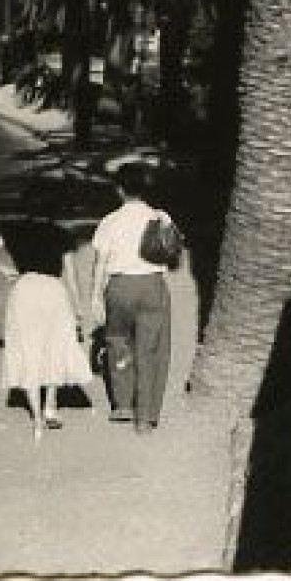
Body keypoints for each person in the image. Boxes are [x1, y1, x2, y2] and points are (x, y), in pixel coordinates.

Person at [0, 220, 93, 441]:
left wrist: (7, 271)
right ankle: (50, 407)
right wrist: (77, 308)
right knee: (55, 347)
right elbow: (71, 275)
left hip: (24, 291)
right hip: (53, 291)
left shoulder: (14, 229)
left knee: (29, 350)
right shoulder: (59, 233)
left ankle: (36, 418)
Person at [90, 162, 180, 434]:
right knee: (151, 350)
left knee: (118, 342)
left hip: (119, 287)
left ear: (119, 190)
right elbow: (173, 254)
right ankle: (145, 418)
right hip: (153, 286)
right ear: (145, 189)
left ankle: (122, 405)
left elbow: (101, 262)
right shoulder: (160, 217)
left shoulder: (110, 221)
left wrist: (95, 296)